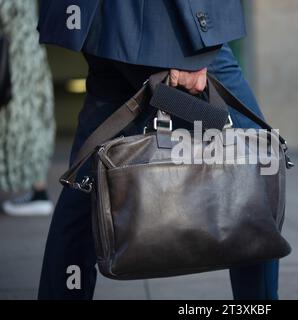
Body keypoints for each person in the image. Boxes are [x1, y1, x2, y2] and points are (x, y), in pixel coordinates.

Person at [37, 0, 279, 300]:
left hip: (107, 22)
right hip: (166, 28)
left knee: (88, 180)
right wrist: (190, 49)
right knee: (254, 164)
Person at [0, 0, 55, 217]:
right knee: (35, 121)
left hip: (15, 61)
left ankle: (38, 193)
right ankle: (37, 191)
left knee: (21, 123)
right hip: (28, 55)